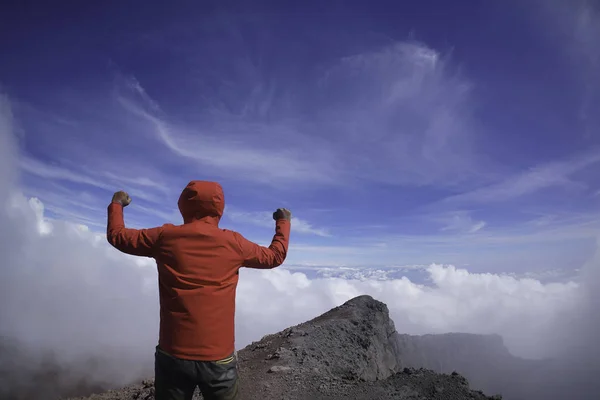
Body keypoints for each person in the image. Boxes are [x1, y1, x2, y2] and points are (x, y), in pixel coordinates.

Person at [106, 180, 291, 400]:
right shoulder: (234, 243)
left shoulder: (164, 237)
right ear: (219, 208)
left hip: (173, 353)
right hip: (218, 357)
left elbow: (117, 236)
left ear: (183, 204)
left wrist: (117, 204)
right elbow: (274, 256)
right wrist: (283, 222)